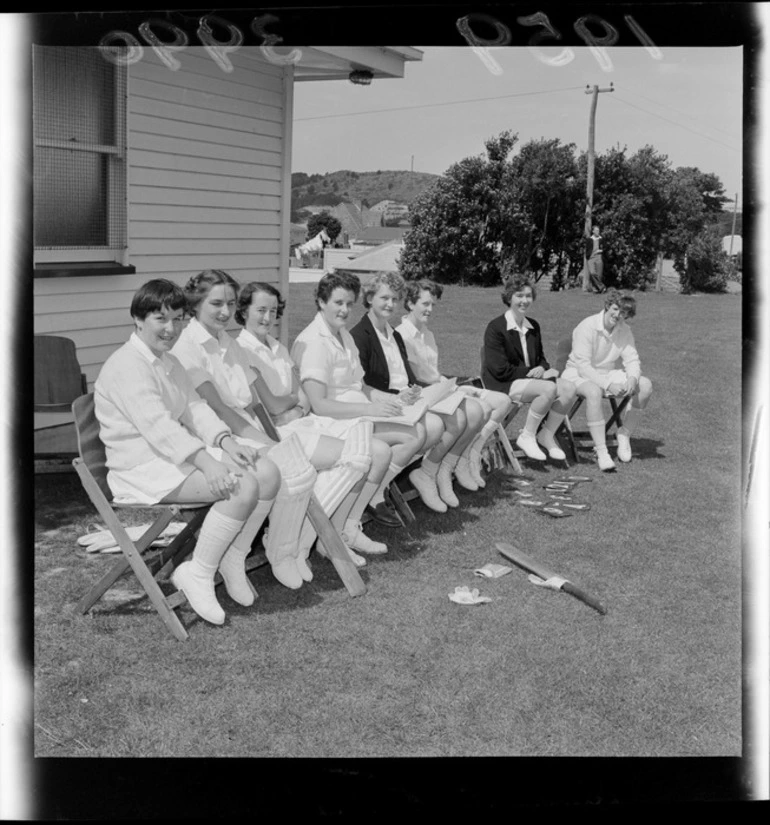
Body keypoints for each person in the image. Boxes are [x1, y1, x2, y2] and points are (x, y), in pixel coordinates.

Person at [170, 270, 382, 582]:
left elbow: (255, 403)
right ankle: (279, 548)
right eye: (216, 303)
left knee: (343, 459)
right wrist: (271, 444)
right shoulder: (188, 346)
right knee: (297, 469)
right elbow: (218, 411)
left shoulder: (227, 341)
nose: (225, 312)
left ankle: (293, 545)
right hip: (218, 439)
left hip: (252, 429)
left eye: (229, 303)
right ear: (196, 303)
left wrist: (271, 437)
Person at [94, 279, 281, 627]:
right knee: (240, 486)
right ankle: (198, 572)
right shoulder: (127, 366)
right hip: (140, 469)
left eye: (178, 319)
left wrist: (228, 443)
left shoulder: (166, 360)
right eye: (161, 319)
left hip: (169, 457)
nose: (171, 329)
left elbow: (194, 409)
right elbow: (161, 428)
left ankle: (233, 555)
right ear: (138, 319)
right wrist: (209, 463)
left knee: (266, 471)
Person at [233, 280, 394, 561]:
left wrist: (290, 402)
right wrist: (291, 401)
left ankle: (332, 532)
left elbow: (303, 400)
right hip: (273, 436)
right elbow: (271, 404)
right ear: (244, 311)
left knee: (373, 452)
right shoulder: (241, 350)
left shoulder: (277, 347)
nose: (268, 318)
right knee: (360, 457)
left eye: (273, 311)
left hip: (301, 423)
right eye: (260, 310)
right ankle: (308, 538)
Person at [291, 270, 428, 522]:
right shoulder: (314, 342)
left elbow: (359, 385)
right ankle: (353, 518)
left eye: (349, 304)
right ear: (322, 302)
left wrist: (387, 399)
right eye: (338, 303)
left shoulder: (343, 336)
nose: (344, 310)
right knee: (396, 444)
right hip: (333, 422)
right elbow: (319, 405)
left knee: (414, 434)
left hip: (357, 412)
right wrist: (369, 410)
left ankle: (363, 505)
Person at [350, 271, 472, 512]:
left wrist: (414, 389)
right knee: (431, 427)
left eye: (395, 299)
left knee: (447, 420)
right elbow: (360, 385)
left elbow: (406, 375)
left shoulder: (393, 334)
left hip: (406, 400)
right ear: (370, 297)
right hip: (381, 404)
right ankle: (377, 490)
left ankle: (399, 479)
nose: (390, 304)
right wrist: (396, 397)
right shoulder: (359, 336)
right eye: (385, 298)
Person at [396, 278, 513, 492]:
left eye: (433, 305)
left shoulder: (427, 334)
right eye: (425, 304)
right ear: (411, 304)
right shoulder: (402, 335)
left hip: (442, 388)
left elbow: (433, 373)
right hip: (426, 395)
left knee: (503, 401)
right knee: (482, 409)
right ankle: (443, 467)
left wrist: (456, 387)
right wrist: (453, 390)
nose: (430, 309)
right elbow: (414, 379)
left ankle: (469, 453)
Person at [482, 271, 577, 462]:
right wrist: (533, 373)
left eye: (528, 296)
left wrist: (544, 368)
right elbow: (499, 369)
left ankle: (546, 434)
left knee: (569, 388)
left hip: (530, 380)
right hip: (504, 383)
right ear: (509, 298)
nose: (524, 300)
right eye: (519, 296)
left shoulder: (533, 325)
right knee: (548, 388)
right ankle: (527, 435)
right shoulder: (496, 328)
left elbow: (540, 359)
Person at [561, 290, 653, 471]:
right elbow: (583, 366)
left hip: (606, 373)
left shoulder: (624, 330)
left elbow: (632, 359)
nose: (618, 316)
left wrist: (633, 378)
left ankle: (624, 433)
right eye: (615, 309)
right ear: (607, 306)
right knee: (594, 392)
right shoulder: (587, 326)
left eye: (623, 313)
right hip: (577, 374)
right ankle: (602, 451)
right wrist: (608, 385)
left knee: (645, 385)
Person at [585, 225, 605, 293]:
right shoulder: (589, 240)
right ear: (593, 231)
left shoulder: (601, 239)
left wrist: (601, 250)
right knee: (592, 273)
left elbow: (605, 248)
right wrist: (588, 256)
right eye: (596, 230)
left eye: (598, 230)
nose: (598, 231)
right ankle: (602, 287)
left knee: (599, 275)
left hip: (599, 257)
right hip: (591, 258)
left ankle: (597, 289)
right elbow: (587, 250)